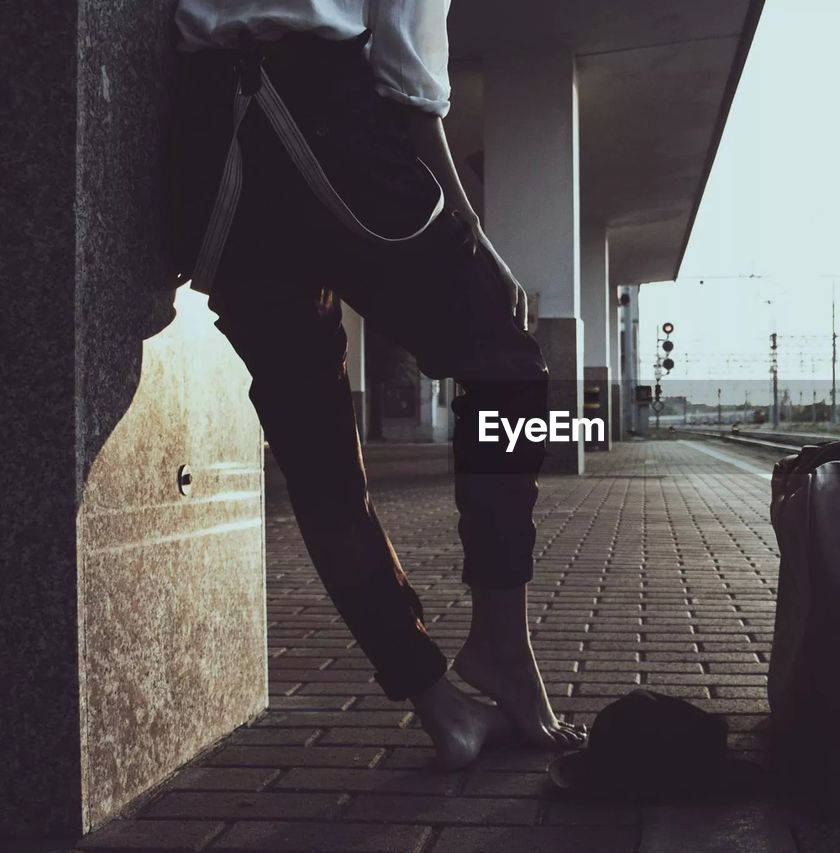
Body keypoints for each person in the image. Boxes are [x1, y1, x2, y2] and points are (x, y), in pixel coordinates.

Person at [169, 0, 586, 768]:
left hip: (208, 151)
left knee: (318, 454)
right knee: (509, 365)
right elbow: (407, 74)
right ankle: (501, 643)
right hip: (325, 120)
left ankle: (440, 706)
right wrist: (473, 231)